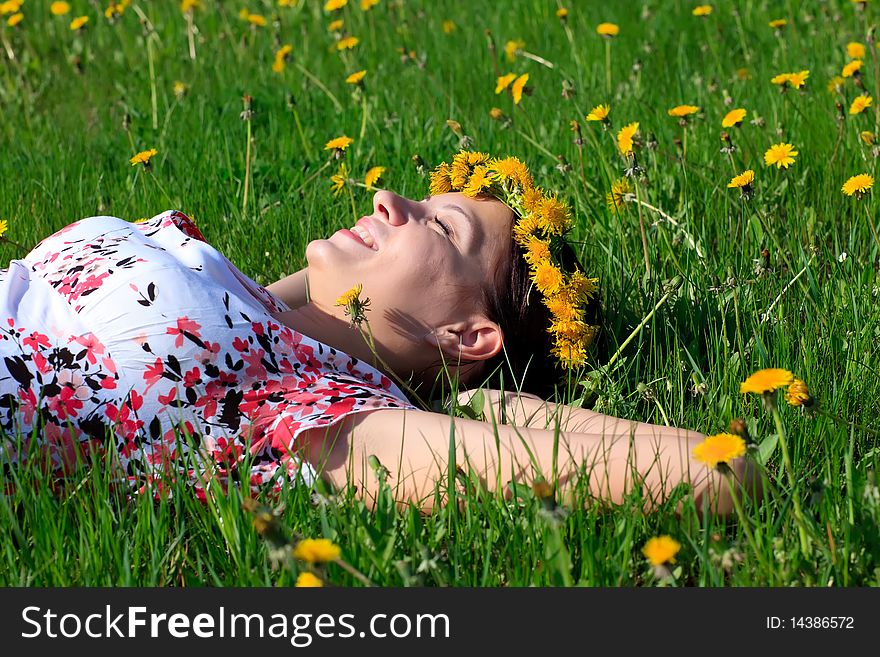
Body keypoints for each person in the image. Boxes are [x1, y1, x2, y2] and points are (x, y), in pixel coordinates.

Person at [0, 151, 756, 514]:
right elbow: (318, 300)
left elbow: (723, 473)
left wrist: (497, 405)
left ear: (469, 333)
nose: (391, 197)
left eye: (441, 223)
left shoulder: (332, 415)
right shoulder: (257, 308)